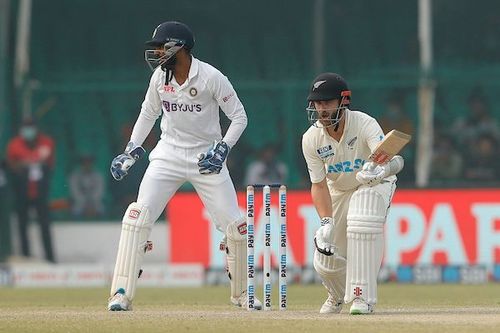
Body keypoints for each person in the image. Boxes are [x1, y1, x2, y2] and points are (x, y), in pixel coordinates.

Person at [107, 21, 261, 311]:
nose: (155, 53)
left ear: (180, 47)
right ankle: (121, 293)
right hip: (168, 155)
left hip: (207, 158)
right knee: (138, 217)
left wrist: (222, 149)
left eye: (161, 47)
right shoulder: (158, 78)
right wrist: (131, 150)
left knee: (236, 227)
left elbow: (239, 117)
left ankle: (242, 295)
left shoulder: (211, 77)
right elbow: (148, 113)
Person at [301, 73, 405, 315]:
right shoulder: (311, 139)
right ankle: (337, 295)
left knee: (362, 219)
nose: (321, 109)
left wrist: (379, 170)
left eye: (327, 102)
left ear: (342, 101)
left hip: (373, 182)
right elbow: (318, 185)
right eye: (317, 103)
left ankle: (362, 297)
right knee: (326, 256)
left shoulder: (364, 123)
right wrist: (325, 222)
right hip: (338, 189)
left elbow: (394, 160)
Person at [6, 118, 56, 262]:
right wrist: (28, 162)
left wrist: (26, 161)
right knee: (22, 225)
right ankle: (26, 257)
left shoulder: (46, 142)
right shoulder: (15, 144)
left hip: (40, 191)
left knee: (44, 225)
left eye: (30, 127)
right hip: (22, 190)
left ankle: (50, 259)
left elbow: (47, 160)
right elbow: (12, 164)